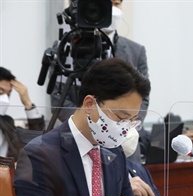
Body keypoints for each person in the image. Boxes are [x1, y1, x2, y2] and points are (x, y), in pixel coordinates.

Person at [14, 58, 188, 196]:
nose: (124, 128)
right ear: (90, 103)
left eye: (131, 121)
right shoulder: (40, 154)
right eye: (121, 118)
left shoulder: (113, 152)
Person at [51, 0, 151, 160]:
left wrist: (122, 125)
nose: (112, 9)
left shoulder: (136, 50)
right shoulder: (65, 48)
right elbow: (58, 101)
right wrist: (92, 124)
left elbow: (143, 98)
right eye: (107, 2)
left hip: (123, 139)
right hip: (76, 138)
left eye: (117, 4)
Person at [120, 127, 188, 196]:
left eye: (134, 122)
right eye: (123, 119)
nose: (131, 128)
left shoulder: (139, 170)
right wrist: (122, 189)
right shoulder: (97, 171)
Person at [0, 67, 45, 159]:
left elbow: (36, 145)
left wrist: (28, 104)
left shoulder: (7, 123)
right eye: (1, 92)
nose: (5, 99)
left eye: (8, 94)